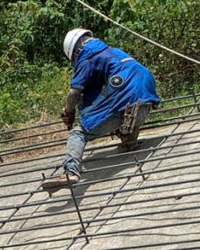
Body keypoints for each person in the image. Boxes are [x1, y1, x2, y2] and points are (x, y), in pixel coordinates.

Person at [42, 29, 160, 194]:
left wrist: (69, 111)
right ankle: (129, 140)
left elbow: (74, 92)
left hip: (124, 98)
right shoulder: (114, 51)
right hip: (146, 98)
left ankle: (71, 172)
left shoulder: (87, 57)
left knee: (78, 134)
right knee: (117, 105)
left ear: (75, 53)